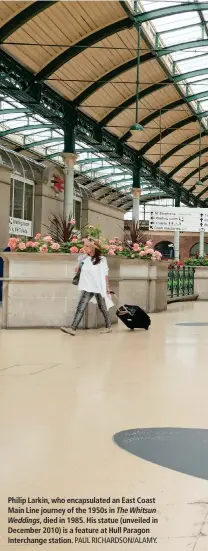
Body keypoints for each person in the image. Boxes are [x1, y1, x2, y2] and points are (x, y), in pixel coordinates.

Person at [61, 239, 112, 336]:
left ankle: (108, 326)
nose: (84, 248)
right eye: (84, 246)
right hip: (88, 287)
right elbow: (81, 270)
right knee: (81, 307)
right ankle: (73, 328)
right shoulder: (83, 258)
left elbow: (105, 274)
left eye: (87, 246)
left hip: (98, 287)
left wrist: (107, 287)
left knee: (102, 307)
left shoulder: (102, 259)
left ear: (94, 247)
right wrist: (78, 269)